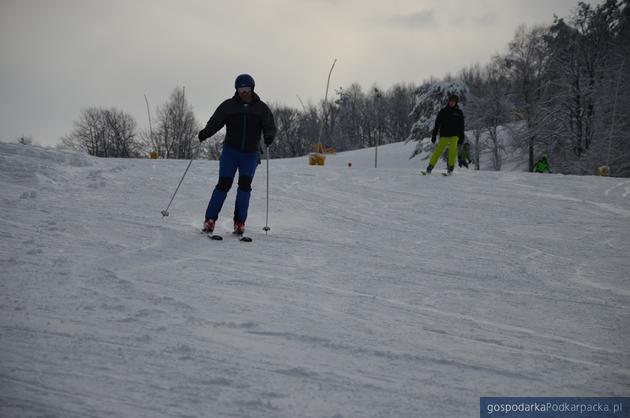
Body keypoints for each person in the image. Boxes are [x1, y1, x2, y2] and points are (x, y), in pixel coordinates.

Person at [198, 74, 276, 235]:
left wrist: (269, 136)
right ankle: (210, 220)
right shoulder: (228, 106)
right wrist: (206, 132)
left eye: (247, 89)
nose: (244, 93)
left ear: (252, 89)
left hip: (250, 154)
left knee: (245, 186)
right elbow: (215, 122)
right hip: (231, 152)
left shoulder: (261, 108)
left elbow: (270, 125)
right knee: (223, 184)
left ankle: (239, 222)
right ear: (237, 90)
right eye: (241, 89)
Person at [424, 94, 465, 175]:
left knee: (452, 150)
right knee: (438, 150)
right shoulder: (443, 111)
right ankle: (430, 166)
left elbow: (462, 126)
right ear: (448, 101)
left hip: (455, 135)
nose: (452, 103)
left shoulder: (459, 112)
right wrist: (434, 135)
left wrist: (461, 137)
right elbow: (437, 124)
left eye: (454, 102)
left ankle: (450, 167)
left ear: (456, 103)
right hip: (444, 135)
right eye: (451, 101)